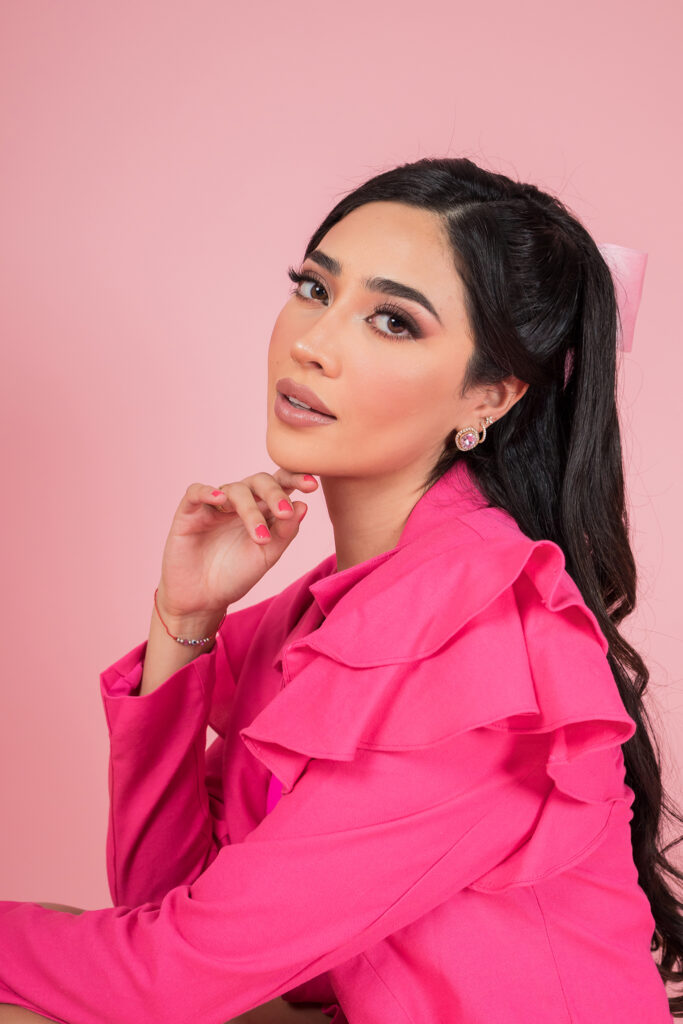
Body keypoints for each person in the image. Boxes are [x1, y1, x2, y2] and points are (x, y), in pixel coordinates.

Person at [0, 156, 680, 1023]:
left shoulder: (481, 645)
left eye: (392, 321)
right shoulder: (340, 612)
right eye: (314, 289)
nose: (311, 343)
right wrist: (185, 621)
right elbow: (163, 908)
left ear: (488, 396)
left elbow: (170, 979)